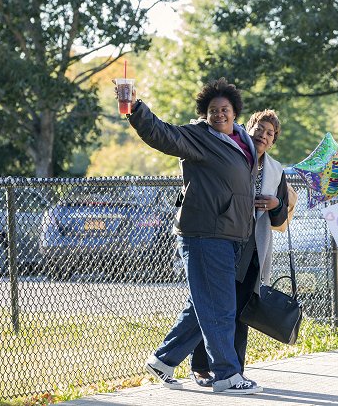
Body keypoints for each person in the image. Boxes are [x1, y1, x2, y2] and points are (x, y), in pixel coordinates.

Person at [124, 78, 262, 394]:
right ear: (205, 113)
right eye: (213, 110)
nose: (219, 115)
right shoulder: (197, 137)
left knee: (201, 305)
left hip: (231, 234)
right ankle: (227, 375)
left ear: (235, 112)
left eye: (224, 109)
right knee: (219, 307)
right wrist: (135, 109)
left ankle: (162, 360)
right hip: (204, 233)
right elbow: (161, 133)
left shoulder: (242, 139)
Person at [188, 109, 289, 387]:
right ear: (249, 128)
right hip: (222, 242)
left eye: (270, 133)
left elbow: (280, 218)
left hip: (252, 251)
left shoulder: (276, 171)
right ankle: (201, 368)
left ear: (273, 140)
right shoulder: (233, 154)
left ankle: (235, 371)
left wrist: (275, 205)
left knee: (239, 313)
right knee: (213, 309)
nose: (263, 135)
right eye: (260, 128)